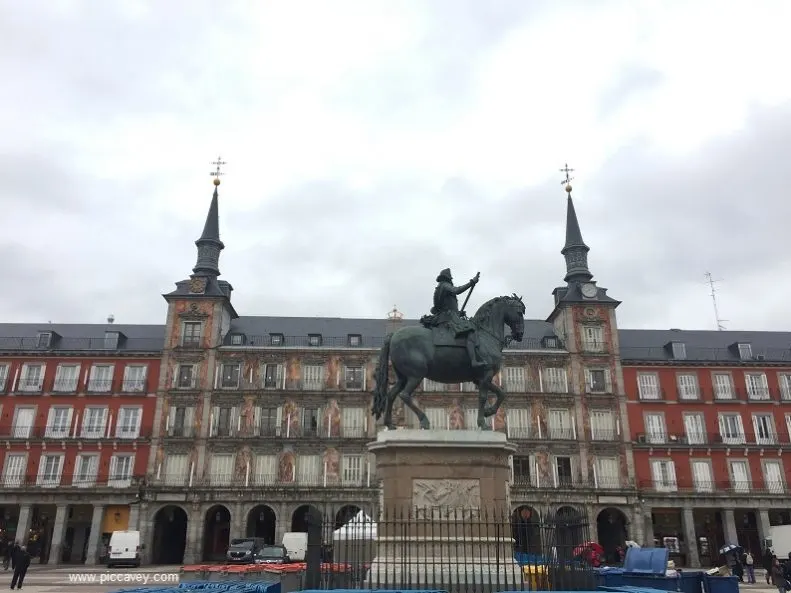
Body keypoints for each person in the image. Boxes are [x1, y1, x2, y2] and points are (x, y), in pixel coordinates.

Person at [421, 268, 485, 367]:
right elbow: (457, 290)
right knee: (471, 332)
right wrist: (471, 282)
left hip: (446, 316)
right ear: (448, 278)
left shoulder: (440, 287)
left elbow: (445, 306)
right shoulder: (445, 285)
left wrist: (459, 313)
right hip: (447, 318)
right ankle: (473, 361)